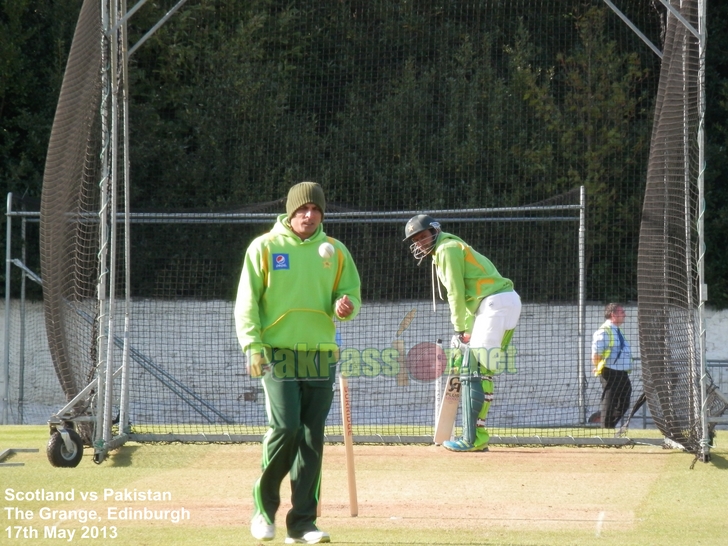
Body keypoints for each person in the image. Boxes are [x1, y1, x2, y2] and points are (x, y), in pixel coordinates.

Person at [235, 182, 361, 544]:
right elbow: (247, 302)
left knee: (311, 437)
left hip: (320, 353)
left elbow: (349, 291)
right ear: (290, 213)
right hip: (277, 353)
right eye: (302, 209)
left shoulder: (334, 251)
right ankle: (263, 510)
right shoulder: (264, 246)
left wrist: (346, 305)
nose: (309, 215)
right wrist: (252, 346)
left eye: (316, 209)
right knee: (286, 428)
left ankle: (303, 523)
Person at [403, 214, 521, 452]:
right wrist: (466, 332)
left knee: (474, 371)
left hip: (493, 305)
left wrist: (458, 330)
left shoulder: (446, 249)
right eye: (416, 240)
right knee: (483, 370)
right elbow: (469, 296)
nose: (420, 242)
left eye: (423, 236)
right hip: (503, 303)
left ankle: (471, 438)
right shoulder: (452, 246)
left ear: (434, 231)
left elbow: (456, 293)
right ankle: (477, 436)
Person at [591, 303, 633, 428]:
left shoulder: (618, 331)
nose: (624, 315)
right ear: (613, 315)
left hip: (621, 371)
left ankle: (609, 425)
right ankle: (606, 428)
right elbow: (596, 354)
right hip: (610, 371)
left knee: (624, 400)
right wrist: (599, 366)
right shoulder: (603, 332)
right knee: (610, 399)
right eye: (621, 313)